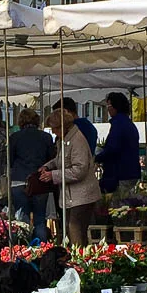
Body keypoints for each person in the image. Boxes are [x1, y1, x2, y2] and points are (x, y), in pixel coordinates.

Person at [37, 105, 101, 246]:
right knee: (71, 229)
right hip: (72, 196)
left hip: (82, 195)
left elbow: (80, 169)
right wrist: (48, 165)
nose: (53, 132)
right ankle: (77, 258)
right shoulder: (64, 140)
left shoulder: (77, 140)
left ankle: (79, 261)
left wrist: (54, 175)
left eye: (54, 128)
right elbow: (61, 160)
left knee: (75, 228)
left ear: (62, 126)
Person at [9, 107, 56, 243]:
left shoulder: (14, 137)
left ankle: (21, 248)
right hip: (39, 180)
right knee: (40, 219)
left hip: (19, 180)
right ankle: (41, 250)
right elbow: (52, 159)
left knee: (21, 218)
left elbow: (10, 160)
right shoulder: (46, 137)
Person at [96, 92, 141, 196]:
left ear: (116, 106)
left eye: (109, 106)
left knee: (118, 204)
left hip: (120, 173)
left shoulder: (118, 124)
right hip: (130, 172)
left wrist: (97, 158)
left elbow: (113, 148)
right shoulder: (128, 123)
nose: (108, 109)